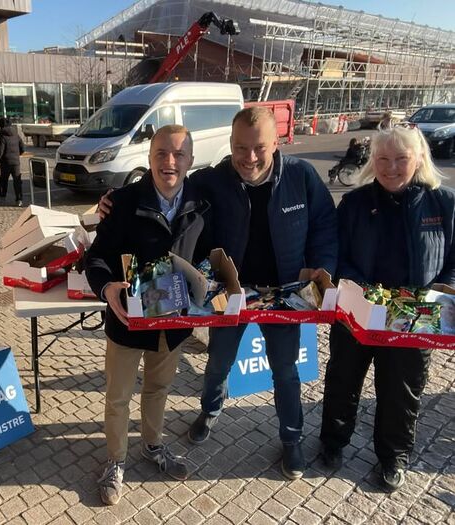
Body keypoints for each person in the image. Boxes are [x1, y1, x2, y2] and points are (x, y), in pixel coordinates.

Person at [99, 107, 337, 480]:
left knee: (286, 371)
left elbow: (324, 224)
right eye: (240, 147)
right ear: (230, 144)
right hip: (230, 295)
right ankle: (209, 411)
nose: (249, 157)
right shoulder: (213, 180)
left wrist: (321, 269)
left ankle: (292, 440)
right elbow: (169, 181)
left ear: (277, 143)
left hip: (283, 294)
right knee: (218, 363)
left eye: (259, 148)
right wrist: (113, 200)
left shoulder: (301, 176)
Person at [319, 125, 455, 492]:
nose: (391, 167)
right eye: (382, 159)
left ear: (419, 159)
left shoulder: (444, 203)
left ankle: (394, 455)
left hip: (415, 317)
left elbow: (453, 264)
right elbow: (338, 255)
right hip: (360, 310)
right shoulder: (355, 203)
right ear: (372, 161)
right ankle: (333, 442)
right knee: (343, 380)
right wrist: (362, 291)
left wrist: (442, 292)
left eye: (401, 159)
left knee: (402, 390)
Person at [85, 124, 210, 506]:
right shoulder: (122, 201)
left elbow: (210, 257)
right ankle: (116, 460)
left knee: (158, 388)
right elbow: (96, 257)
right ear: (150, 157)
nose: (169, 162)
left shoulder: (202, 204)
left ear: (190, 159)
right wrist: (107, 288)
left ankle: (153, 445)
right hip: (128, 320)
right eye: (161, 154)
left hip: (173, 324)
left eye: (178, 154)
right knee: (118, 396)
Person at [0, 117, 25, 207]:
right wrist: (18, 154)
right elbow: (22, 147)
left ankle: (2, 197)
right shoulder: (16, 134)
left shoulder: (2, 136)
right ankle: (19, 199)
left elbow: (0, 150)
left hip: (5, 162)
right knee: (17, 180)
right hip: (16, 162)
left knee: (4, 180)